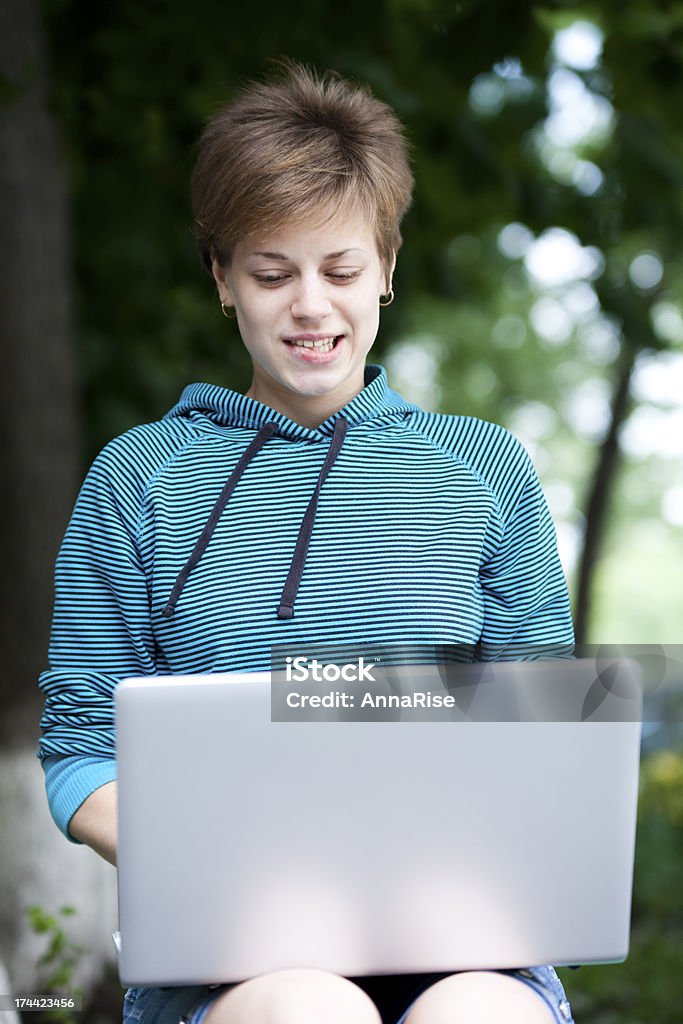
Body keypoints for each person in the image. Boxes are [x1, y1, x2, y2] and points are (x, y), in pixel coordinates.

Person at [38, 62, 576, 1024]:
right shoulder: (137, 479)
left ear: (389, 270)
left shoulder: (486, 471)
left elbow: (541, 747)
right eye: (272, 273)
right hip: (230, 957)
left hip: (467, 947)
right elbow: (81, 754)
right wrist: (216, 847)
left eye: (342, 271)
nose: (312, 309)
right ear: (220, 278)